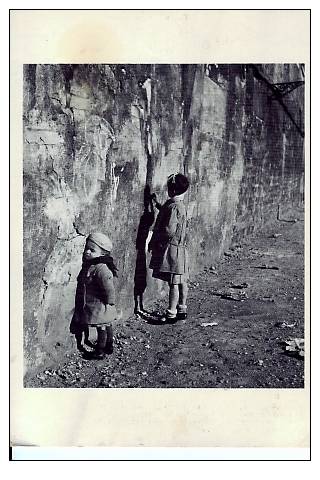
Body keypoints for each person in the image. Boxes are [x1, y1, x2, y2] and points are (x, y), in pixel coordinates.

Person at [149, 173, 190, 323]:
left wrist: (158, 239)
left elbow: (169, 229)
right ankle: (182, 309)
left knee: (173, 283)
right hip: (182, 249)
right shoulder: (180, 205)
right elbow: (168, 212)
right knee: (182, 281)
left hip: (173, 250)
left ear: (172, 190)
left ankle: (171, 313)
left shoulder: (173, 207)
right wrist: (157, 204)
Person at [70, 232, 118, 359]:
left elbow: (109, 287)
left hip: (101, 305)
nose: (87, 252)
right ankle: (109, 345)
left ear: (103, 253)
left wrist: (110, 300)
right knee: (107, 325)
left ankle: (100, 350)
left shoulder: (101, 268)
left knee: (101, 327)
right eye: (87, 248)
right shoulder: (93, 266)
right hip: (101, 305)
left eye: (92, 250)